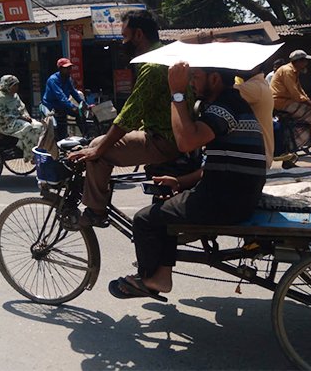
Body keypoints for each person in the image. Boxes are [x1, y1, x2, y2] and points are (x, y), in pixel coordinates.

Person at [107, 61, 266, 300]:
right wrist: (180, 182)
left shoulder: (224, 108)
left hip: (226, 200)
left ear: (214, 79)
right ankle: (161, 274)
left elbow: (185, 142)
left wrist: (177, 93)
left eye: (196, 77)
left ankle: (153, 278)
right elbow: (215, 164)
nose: (192, 82)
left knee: (144, 219)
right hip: (232, 193)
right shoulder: (230, 104)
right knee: (165, 203)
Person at [68, 9, 181, 228]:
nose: (122, 41)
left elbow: (128, 115)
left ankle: (96, 210)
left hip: (163, 141)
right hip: (172, 135)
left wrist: (98, 151)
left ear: (138, 35)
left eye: (124, 36)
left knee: (96, 147)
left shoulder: (153, 66)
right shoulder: (165, 57)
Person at [270, 50, 311, 147]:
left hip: (287, 101)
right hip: (281, 102)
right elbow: (295, 93)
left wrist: (310, 101)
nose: (306, 63)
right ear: (298, 61)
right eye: (304, 61)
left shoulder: (294, 71)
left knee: (309, 112)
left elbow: (300, 90)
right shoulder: (288, 71)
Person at [0, 75, 44, 162]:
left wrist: (26, 115)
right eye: (14, 85)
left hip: (19, 119)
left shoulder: (14, 96)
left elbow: (22, 107)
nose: (16, 88)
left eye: (17, 85)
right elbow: (2, 115)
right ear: (7, 86)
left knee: (39, 126)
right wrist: (20, 117)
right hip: (4, 124)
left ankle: (33, 150)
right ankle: (31, 155)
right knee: (27, 127)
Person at [235, 68, 275, 169]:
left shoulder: (254, 87)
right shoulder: (260, 84)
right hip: (262, 155)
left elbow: (220, 90)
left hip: (257, 157)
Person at [42, 57, 86, 141]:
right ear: (60, 69)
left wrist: (84, 104)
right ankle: (57, 141)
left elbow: (74, 93)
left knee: (79, 115)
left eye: (70, 68)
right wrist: (72, 107)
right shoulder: (53, 80)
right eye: (67, 68)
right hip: (51, 106)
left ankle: (85, 135)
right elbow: (61, 97)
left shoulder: (67, 79)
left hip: (61, 105)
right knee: (56, 126)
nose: (69, 70)